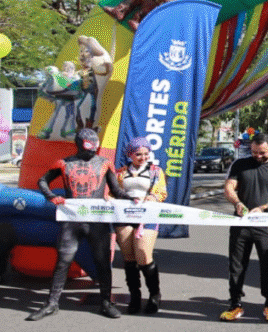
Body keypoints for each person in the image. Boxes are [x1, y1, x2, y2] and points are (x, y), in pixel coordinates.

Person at [26, 128, 134, 321]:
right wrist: (51, 196)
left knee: (102, 262)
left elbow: (116, 189)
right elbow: (42, 181)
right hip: (72, 220)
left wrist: (131, 199)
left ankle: (106, 302)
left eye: (94, 148)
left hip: (97, 221)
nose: (92, 152)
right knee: (63, 261)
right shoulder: (63, 163)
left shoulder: (104, 163)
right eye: (88, 148)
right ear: (78, 144)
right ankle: (52, 303)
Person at [221, 132, 268, 322]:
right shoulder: (239, 164)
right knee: (236, 266)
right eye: (254, 152)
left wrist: (264, 208)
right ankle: (235, 304)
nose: (258, 156)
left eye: (262, 153)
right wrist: (237, 203)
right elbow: (229, 187)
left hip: (266, 226)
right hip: (240, 225)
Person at [114, 137, 167, 314]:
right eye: (138, 154)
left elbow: (161, 192)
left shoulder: (156, 171)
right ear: (130, 154)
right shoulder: (120, 172)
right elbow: (113, 192)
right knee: (129, 258)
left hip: (147, 216)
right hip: (124, 216)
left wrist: (151, 198)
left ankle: (154, 295)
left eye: (146, 154)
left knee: (143, 254)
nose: (143, 157)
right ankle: (134, 296)